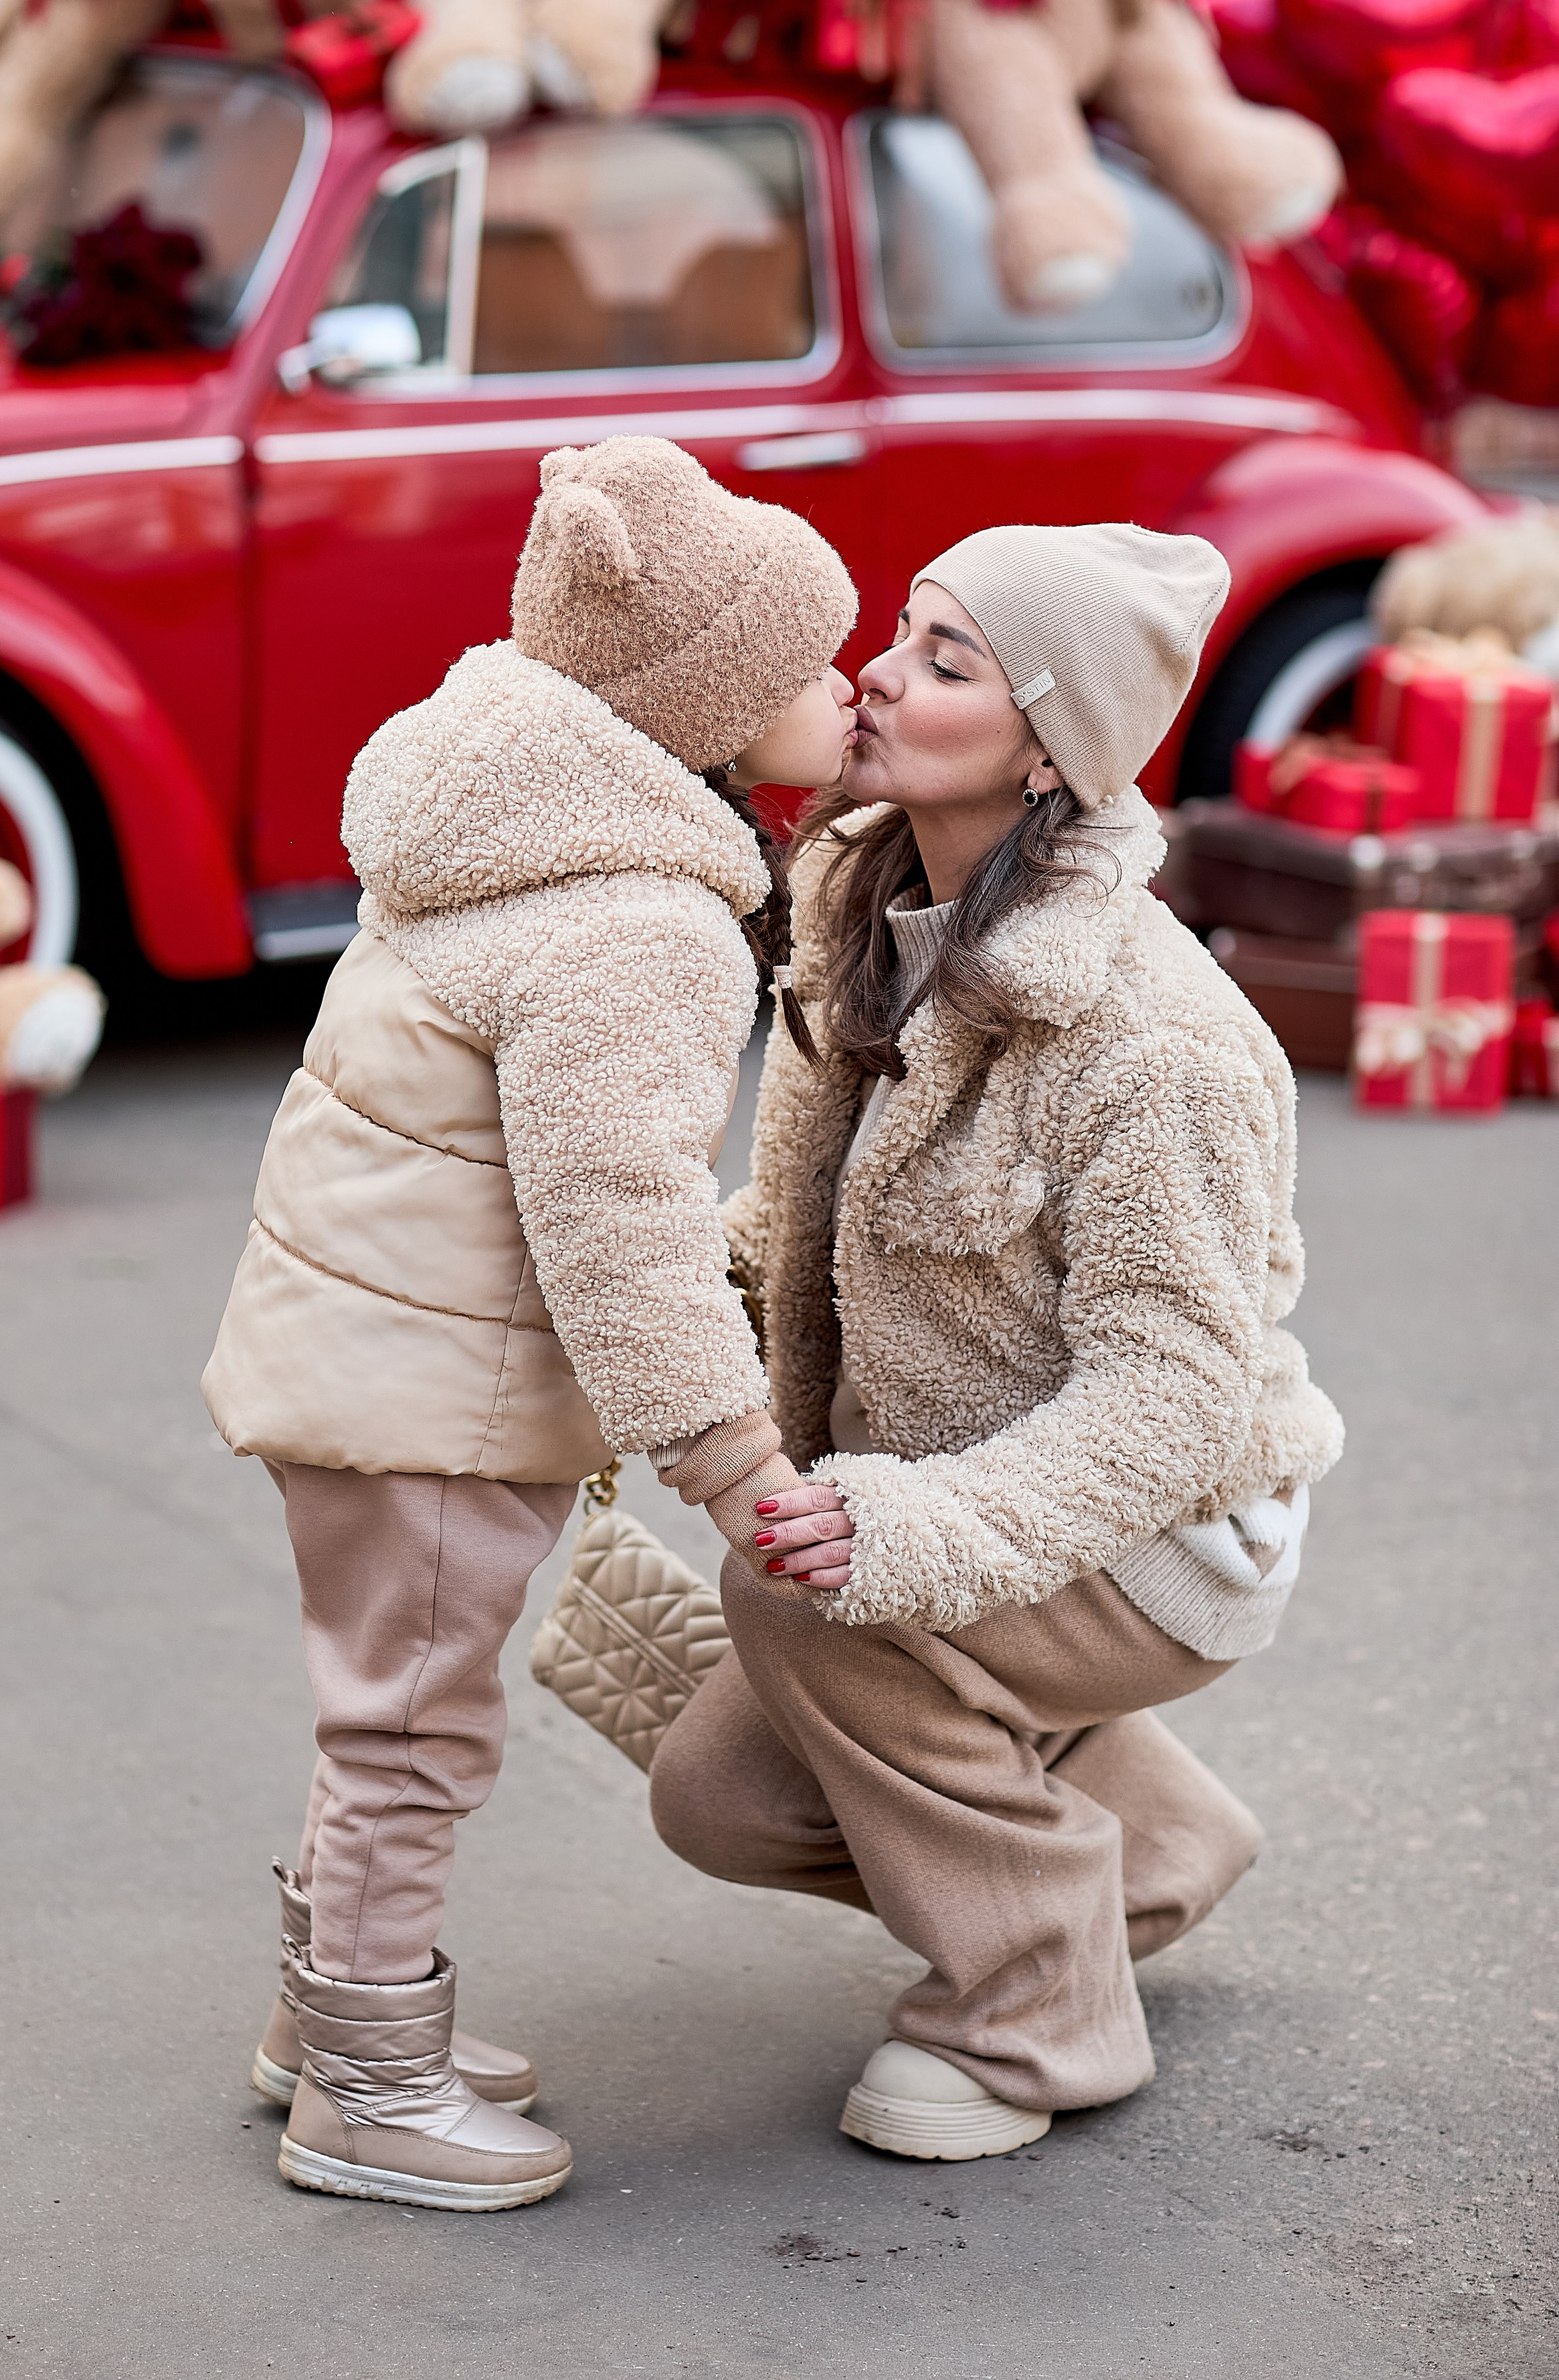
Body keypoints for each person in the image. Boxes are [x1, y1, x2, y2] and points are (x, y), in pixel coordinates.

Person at [202, 435, 856, 2211]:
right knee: (413, 1733)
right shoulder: (636, 921)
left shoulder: (494, 832)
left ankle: (327, 2021)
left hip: (368, 1353)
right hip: (431, 1392)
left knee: (381, 1712)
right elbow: (618, 1222)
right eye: (807, 665)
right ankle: (369, 2090)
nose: (848, 684)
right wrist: (732, 1460)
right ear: (703, 707)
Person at [649, 523, 1345, 2165]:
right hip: (972, 1481)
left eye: (949, 660)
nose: (881, 673)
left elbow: (1167, 1404)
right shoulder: (866, 882)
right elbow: (805, 1215)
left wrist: (903, 1533)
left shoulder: (1157, 1042)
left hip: (1167, 1531)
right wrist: (663, 1297)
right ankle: (1151, 1852)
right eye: (907, 632)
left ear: (1049, 752)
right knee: (721, 1798)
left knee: (800, 1592)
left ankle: (1041, 2016)